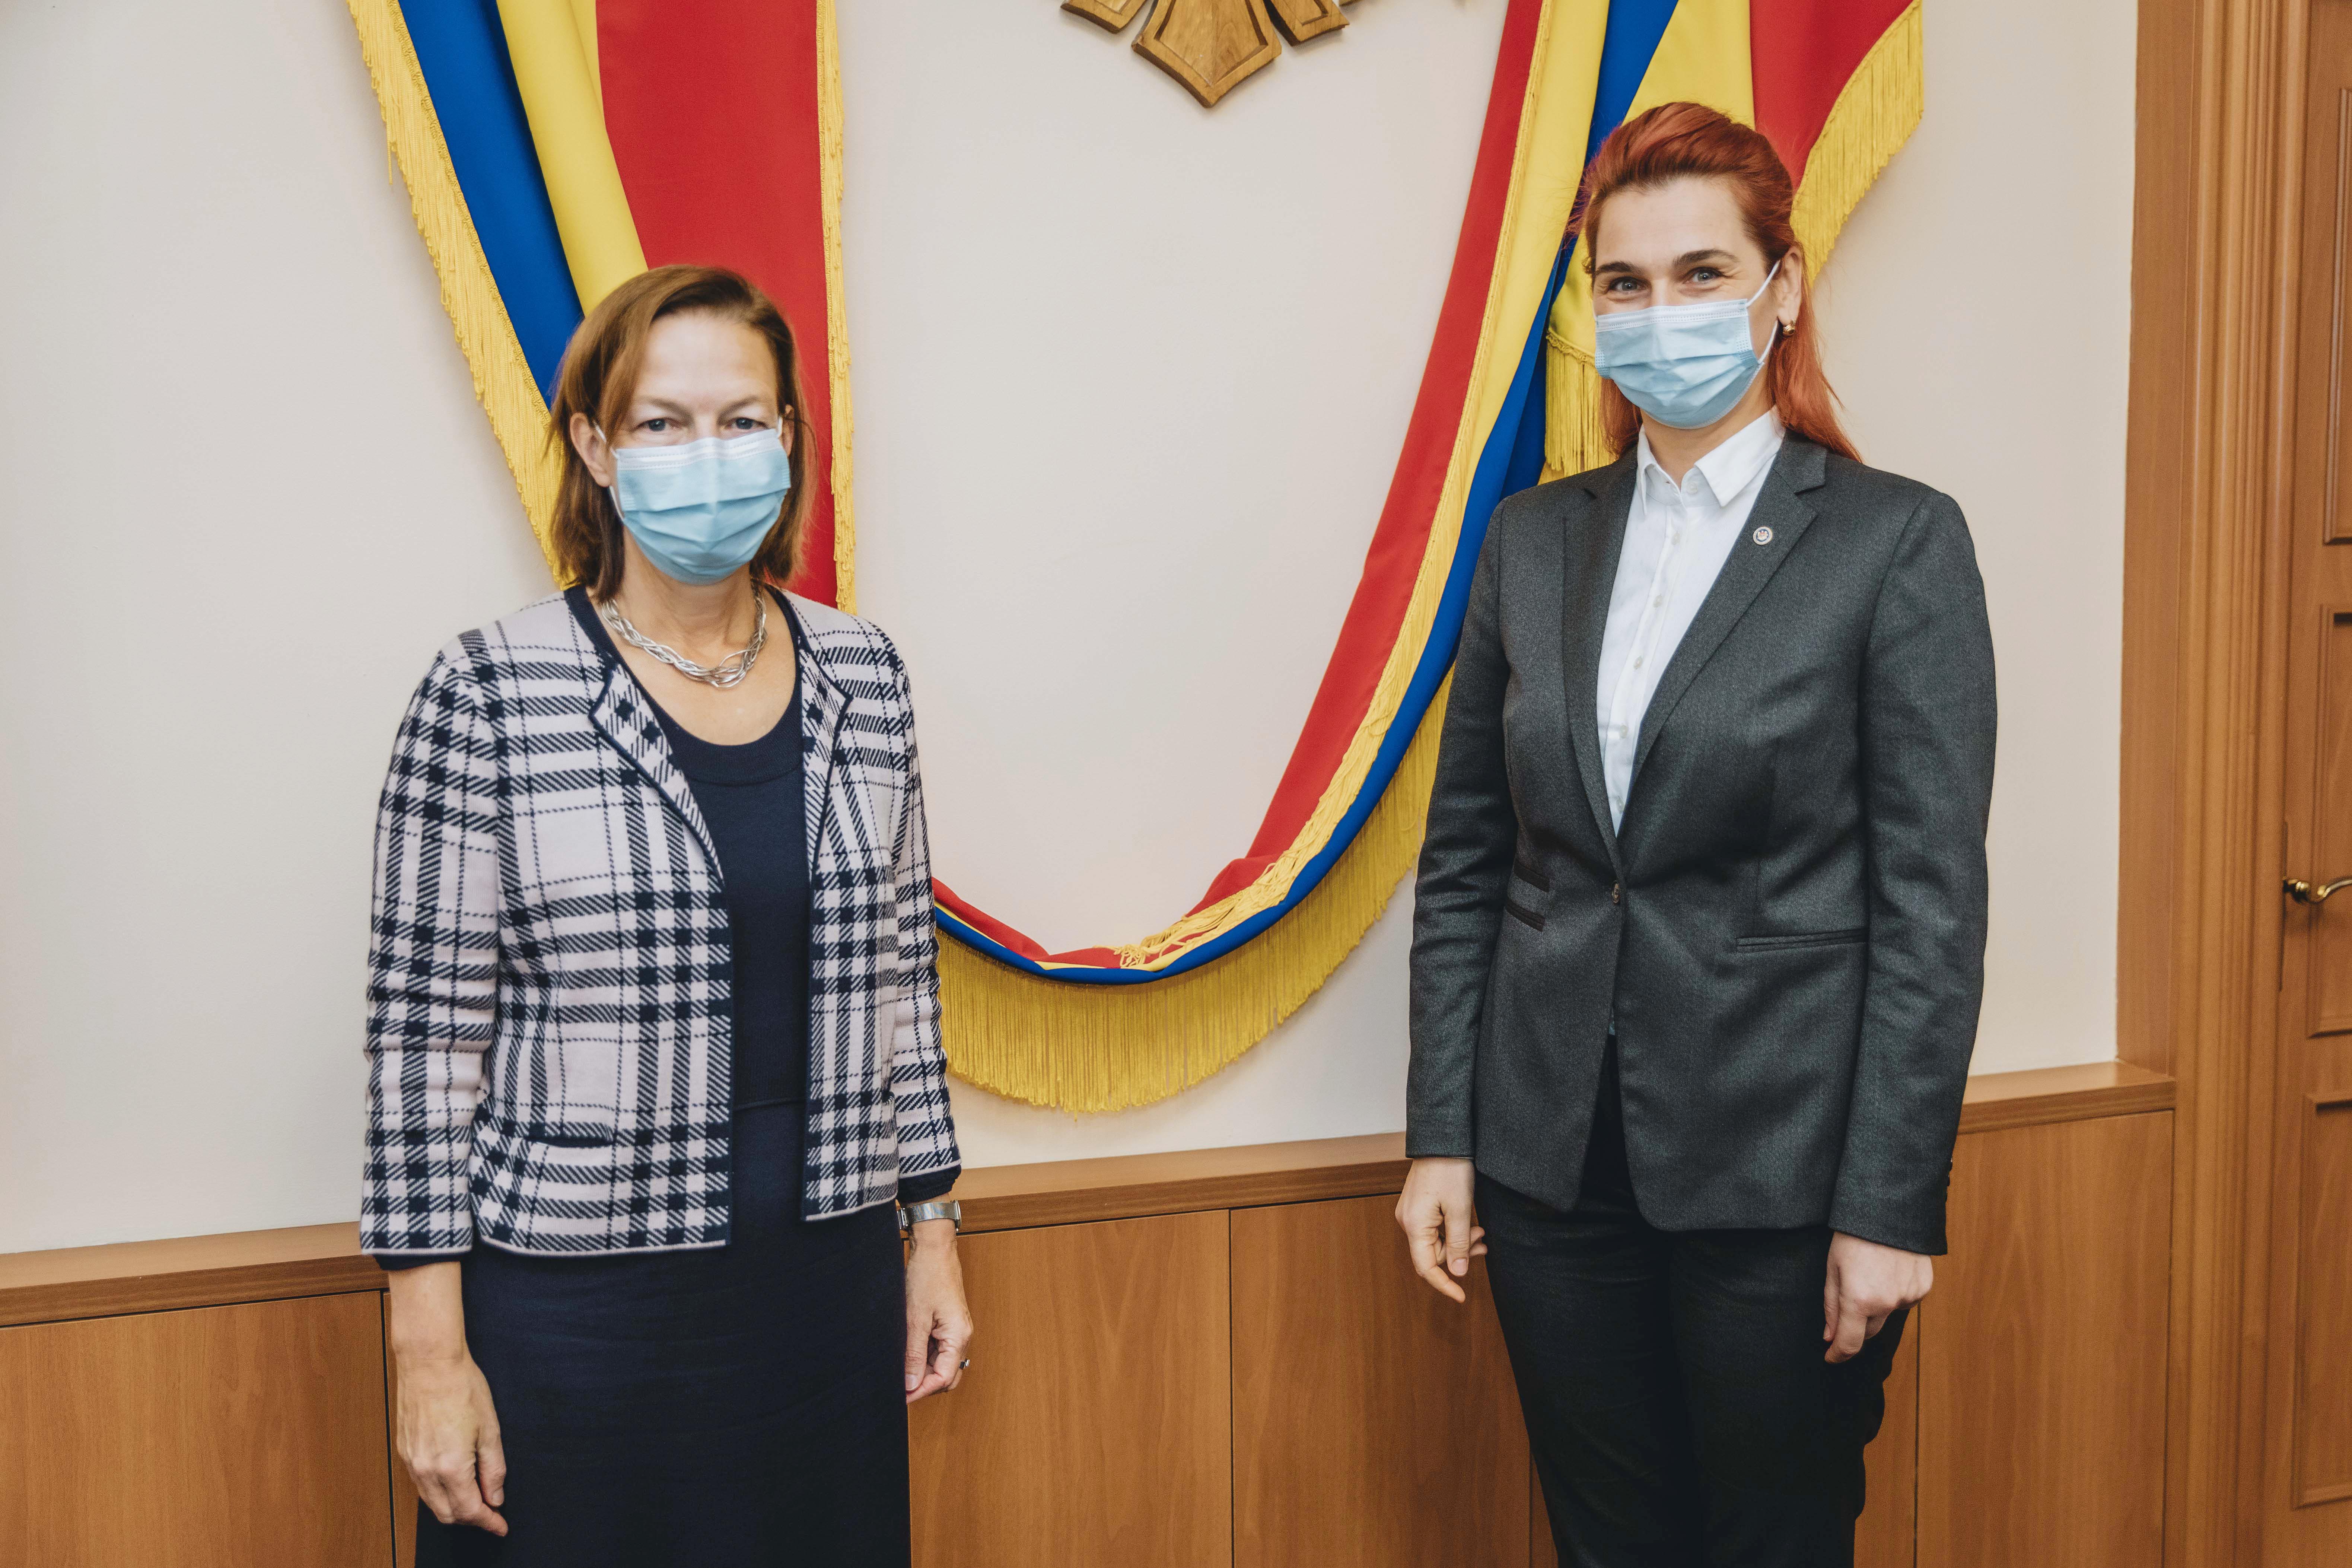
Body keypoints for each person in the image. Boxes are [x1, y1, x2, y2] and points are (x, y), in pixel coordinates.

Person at [1395, 102, 1996, 1568]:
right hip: (1550, 1171)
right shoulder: (1532, 540)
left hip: (1781, 1180)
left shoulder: (1894, 543)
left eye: (1700, 273)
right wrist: (1442, 1137)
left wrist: (1888, 1206)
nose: (1660, 312)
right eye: (1625, 283)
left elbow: (1930, 907)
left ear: (1779, 290)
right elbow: (1469, 861)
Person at [362, 264, 971, 1567]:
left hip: (824, 1296)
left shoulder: (865, 674)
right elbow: (420, 1054)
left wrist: (933, 1233)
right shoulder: (488, 690)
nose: (710, 452)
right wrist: (428, 1356)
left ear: (788, 438)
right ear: (597, 446)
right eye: (662, 421)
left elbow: (904, 990)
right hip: (578, 1318)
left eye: (742, 419)